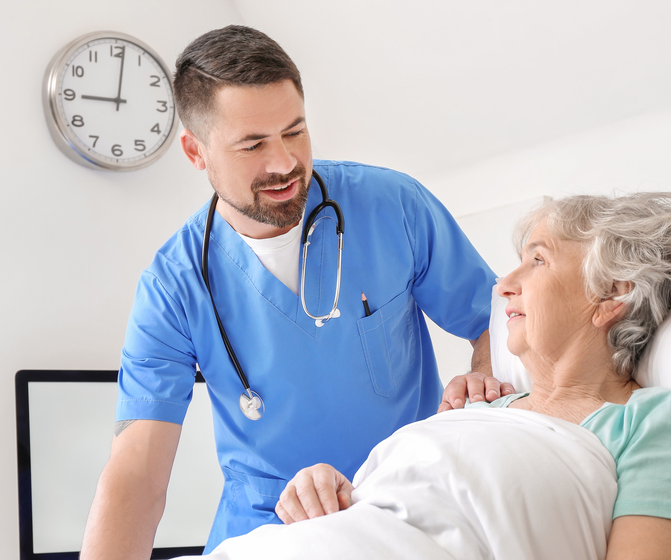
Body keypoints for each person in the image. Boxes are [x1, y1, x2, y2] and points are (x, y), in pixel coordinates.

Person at [80, 25, 509, 559]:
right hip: (266, 531)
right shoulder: (174, 284)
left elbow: (500, 318)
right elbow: (137, 473)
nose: (284, 163)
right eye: (253, 144)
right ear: (196, 152)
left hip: (400, 505)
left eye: (295, 132)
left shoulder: (393, 207)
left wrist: (487, 386)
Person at [211, 192, 671, 560]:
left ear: (612, 295)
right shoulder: (481, 406)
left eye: (537, 261)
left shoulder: (654, 424)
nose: (504, 284)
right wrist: (329, 493)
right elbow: (405, 507)